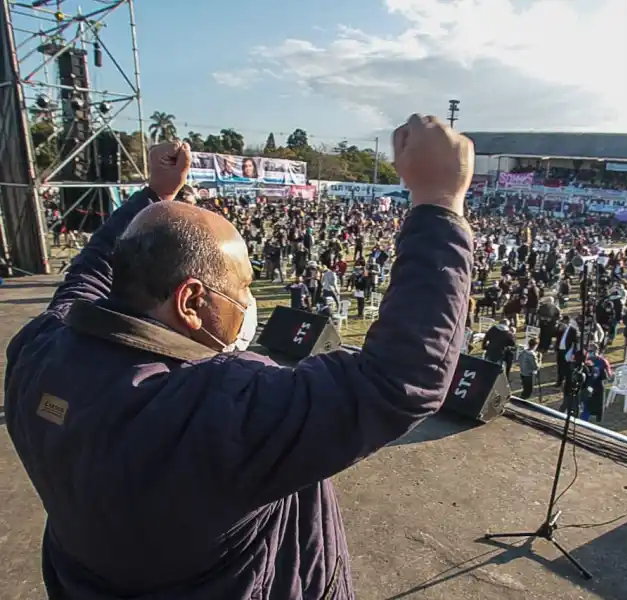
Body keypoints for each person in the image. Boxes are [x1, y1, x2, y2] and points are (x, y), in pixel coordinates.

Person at [4, 114, 475, 599]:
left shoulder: (38, 348)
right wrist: (439, 206)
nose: (248, 304)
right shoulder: (218, 410)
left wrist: (155, 196)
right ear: (190, 303)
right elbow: (399, 380)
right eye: (242, 288)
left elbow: (92, 270)